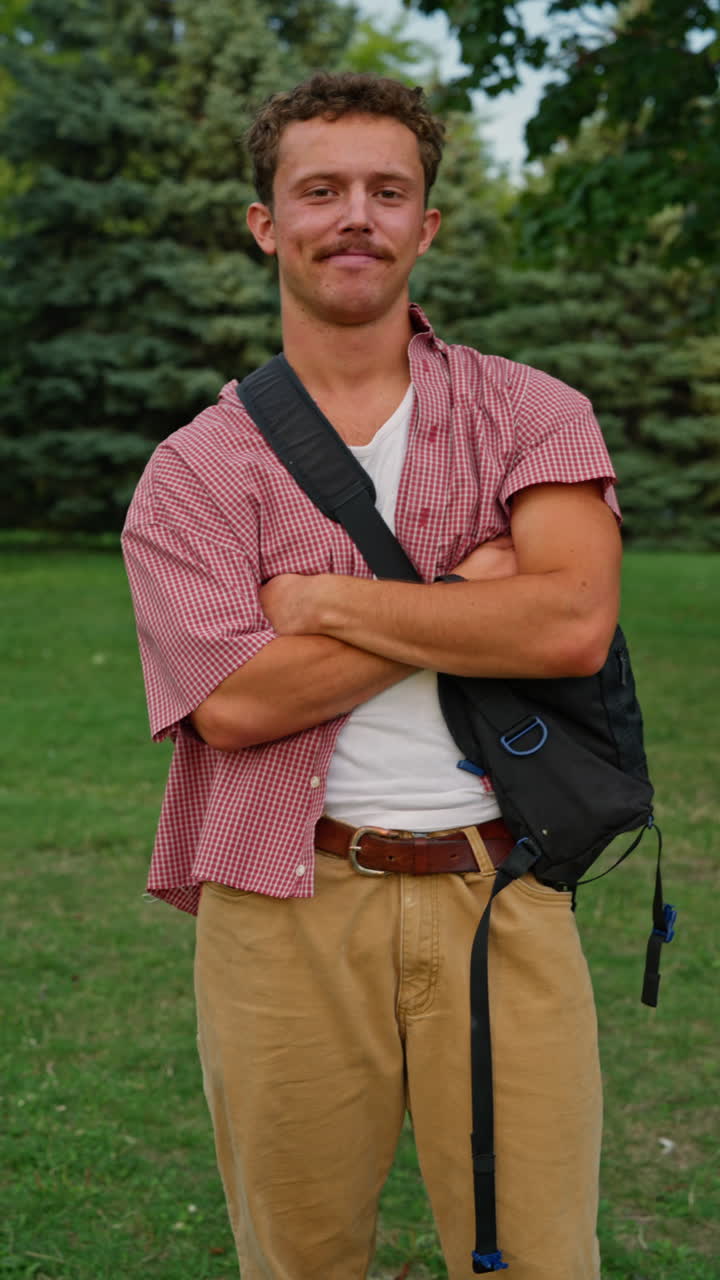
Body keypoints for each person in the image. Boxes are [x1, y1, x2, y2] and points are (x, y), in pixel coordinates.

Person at [122, 72, 622, 1280]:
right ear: (266, 223)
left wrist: (326, 607)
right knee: (299, 1259)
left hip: (503, 893)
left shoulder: (532, 413)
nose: (356, 214)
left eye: (387, 190)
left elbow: (568, 628)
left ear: (426, 225)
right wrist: (467, 598)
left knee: (542, 1261)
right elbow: (234, 705)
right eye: (321, 189)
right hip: (281, 910)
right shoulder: (193, 470)